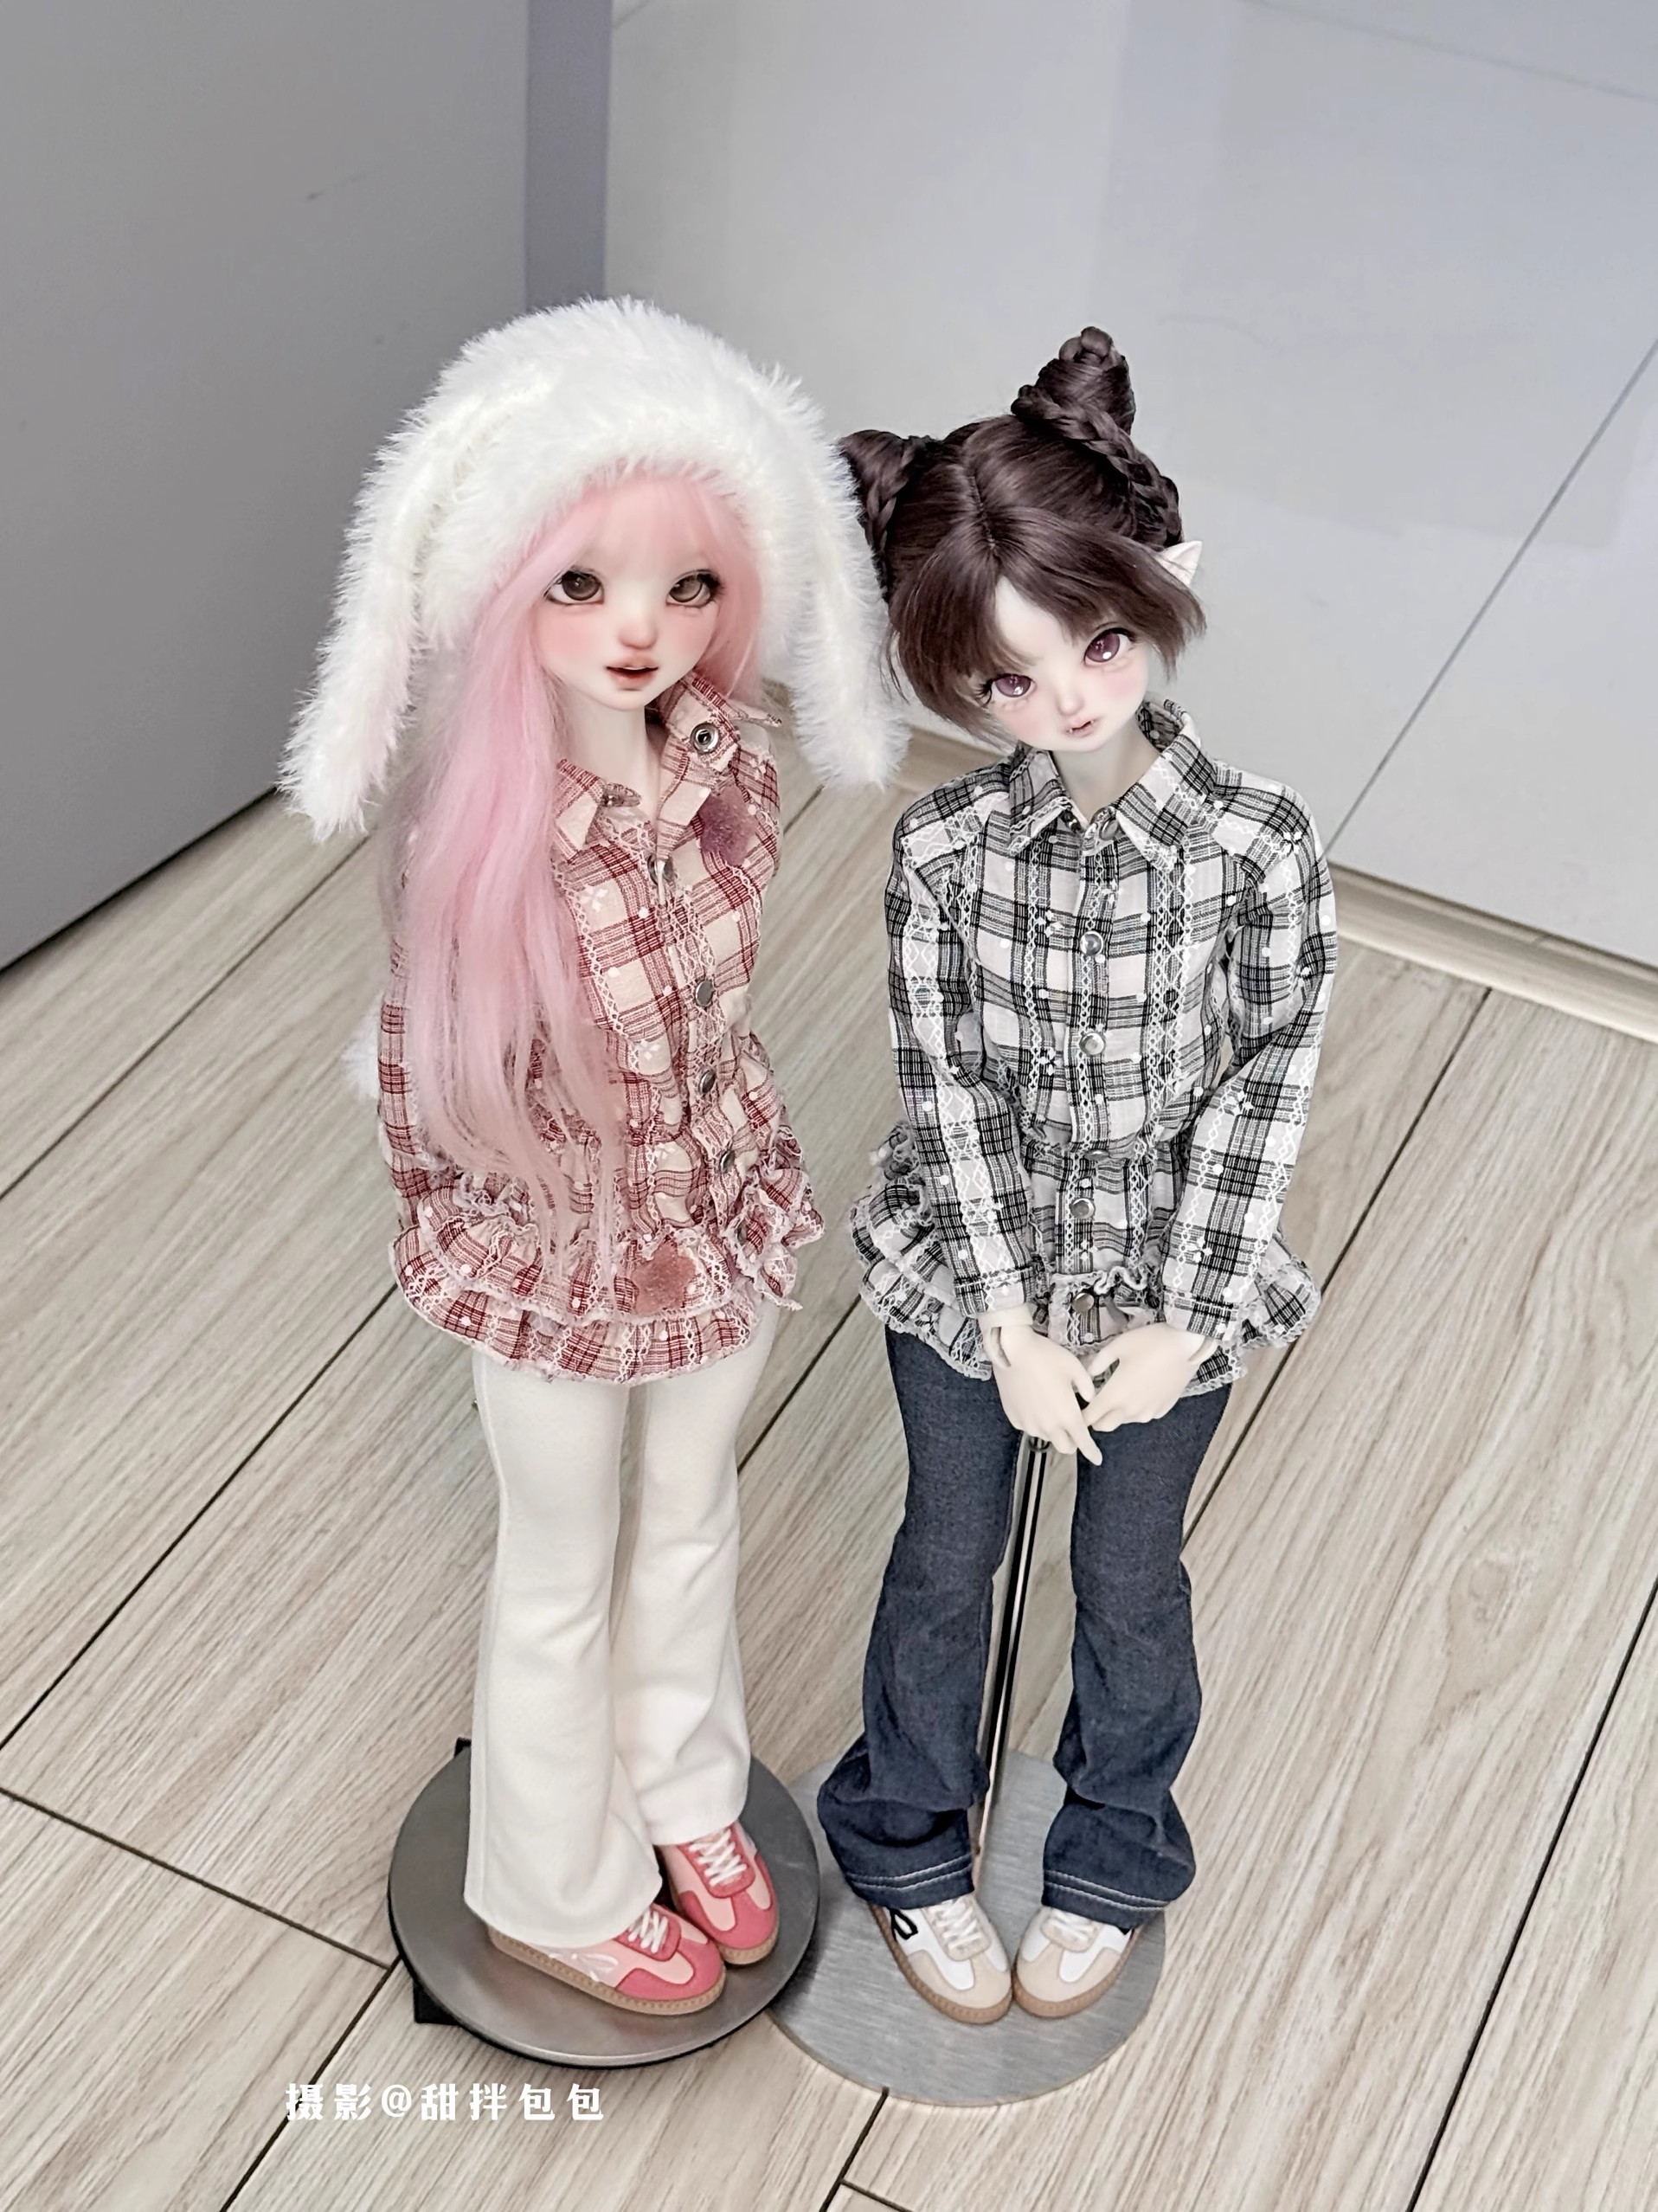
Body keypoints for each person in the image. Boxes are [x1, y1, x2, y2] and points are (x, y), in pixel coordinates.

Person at [284, 297, 903, 2016]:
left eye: (687, 586)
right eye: (580, 584)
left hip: (721, 1212)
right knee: (556, 1567)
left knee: (693, 1515)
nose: (639, 629)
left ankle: (683, 1785)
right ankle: (548, 1883)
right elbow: (420, 1079)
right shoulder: (481, 838)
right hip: (558, 1253)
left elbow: (715, 1013)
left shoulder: (724, 766)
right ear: (500, 588)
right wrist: (486, 1223)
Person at [817, 326, 1337, 2024]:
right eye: (1008, 681)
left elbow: (1266, 1080)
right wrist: (1003, 1322)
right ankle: (904, 1830)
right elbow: (946, 1091)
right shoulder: (945, 850)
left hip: (1166, 1276)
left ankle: (1115, 1842)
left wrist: (1186, 1316)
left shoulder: (1259, 846)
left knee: (1127, 1571)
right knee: (946, 1550)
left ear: (1166, 578)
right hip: (971, 1268)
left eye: (1098, 642)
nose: (1065, 702)